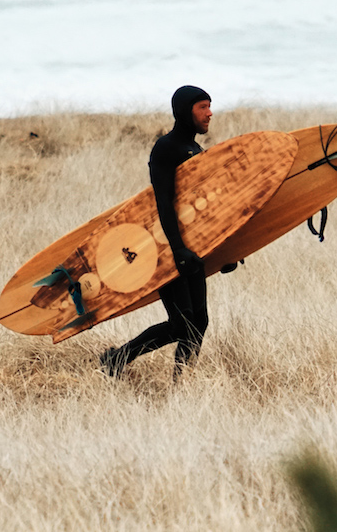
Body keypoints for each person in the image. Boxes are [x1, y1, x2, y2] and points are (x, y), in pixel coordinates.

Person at [99, 85, 236, 380]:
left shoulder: (196, 150)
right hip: (165, 248)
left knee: (199, 323)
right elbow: (163, 202)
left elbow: (204, 213)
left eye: (210, 106)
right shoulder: (166, 148)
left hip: (192, 249)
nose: (209, 113)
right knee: (181, 324)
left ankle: (181, 382)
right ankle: (116, 359)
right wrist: (177, 250)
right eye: (202, 107)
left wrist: (224, 253)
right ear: (185, 111)